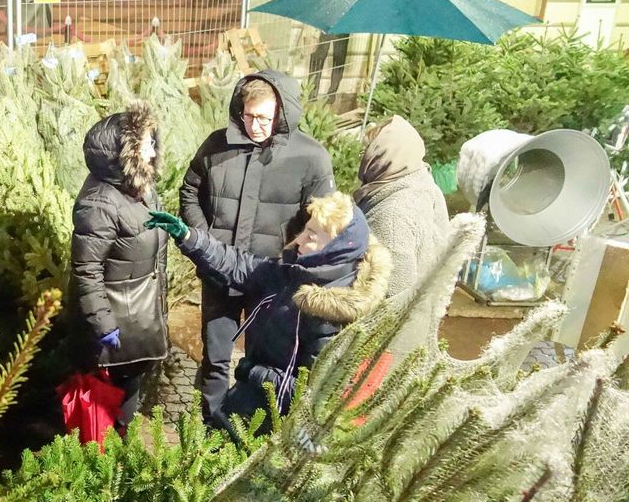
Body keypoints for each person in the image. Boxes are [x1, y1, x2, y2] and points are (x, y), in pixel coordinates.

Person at [148, 192, 390, 433]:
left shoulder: (329, 316)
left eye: (312, 236)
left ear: (336, 249)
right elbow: (240, 265)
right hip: (247, 403)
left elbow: (310, 395)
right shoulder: (296, 272)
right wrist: (191, 238)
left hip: (269, 427)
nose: (298, 239)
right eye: (305, 229)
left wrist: (253, 372)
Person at [179, 71, 334, 431]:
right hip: (219, 272)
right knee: (216, 357)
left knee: (261, 359)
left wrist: (292, 263)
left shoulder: (310, 158)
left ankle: (253, 430)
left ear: (281, 112)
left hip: (272, 281)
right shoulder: (217, 146)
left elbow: (323, 221)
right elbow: (189, 192)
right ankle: (212, 428)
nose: (255, 125)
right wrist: (205, 243)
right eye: (249, 116)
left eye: (264, 118)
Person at [69, 100, 169, 430]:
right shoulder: (99, 202)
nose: (153, 152)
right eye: (146, 145)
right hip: (117, 320)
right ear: (123, 153)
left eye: (153, 142)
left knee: (128, 392)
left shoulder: (139, 189)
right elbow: (87, 270)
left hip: (138, 314)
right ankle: (104, 458)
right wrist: (102, 324)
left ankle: (119, 449)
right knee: (109, 399)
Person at [355, 116, 450, 296]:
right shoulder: (425, 184)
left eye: (366, 151)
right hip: (426, 304)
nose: (362, 158)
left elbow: (395, 294)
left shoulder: (391, 216)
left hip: (398, 319)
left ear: (382, 156)